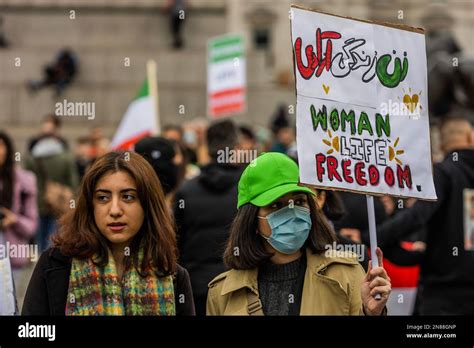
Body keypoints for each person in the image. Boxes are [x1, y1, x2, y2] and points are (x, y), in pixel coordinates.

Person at [207, 152, 391, 315]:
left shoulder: (346, 275)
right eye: (276, 205)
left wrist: (371, 313)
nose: (292, 212)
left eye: (299, 201)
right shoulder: (223, 293)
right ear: (252, 220)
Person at [22, 151, 195, 316]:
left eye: (128, 197)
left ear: (147, 205)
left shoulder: (172, 276)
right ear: (90, 206)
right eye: (103, 198)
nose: (114, 210)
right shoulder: (54, 265)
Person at [368, 115, 474, 315]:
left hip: (443, 295)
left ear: (442, 144)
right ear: (470, 137)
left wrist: (371, 237)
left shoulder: (445, 172)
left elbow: (416, 216)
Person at [174, 120, 244, 315]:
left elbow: (176, 241)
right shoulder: (249, 190)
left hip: (196, 287)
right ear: (236, 148)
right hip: (238, 285)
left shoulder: (186, 190)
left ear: (206, 148)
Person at [0, 131, 38, 311]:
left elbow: (32, 225)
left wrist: (13, 220)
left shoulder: (24, 180)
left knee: (9, 307)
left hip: (12, 256)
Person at [25, 126, 78, 252]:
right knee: (54, 235)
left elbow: (27, 180)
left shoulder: (32, 159)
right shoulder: (66, 157)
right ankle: (49, 261)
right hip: (59, 201)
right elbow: (73, 182)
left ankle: (39, 262)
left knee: (39, 235)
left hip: (37, 201)